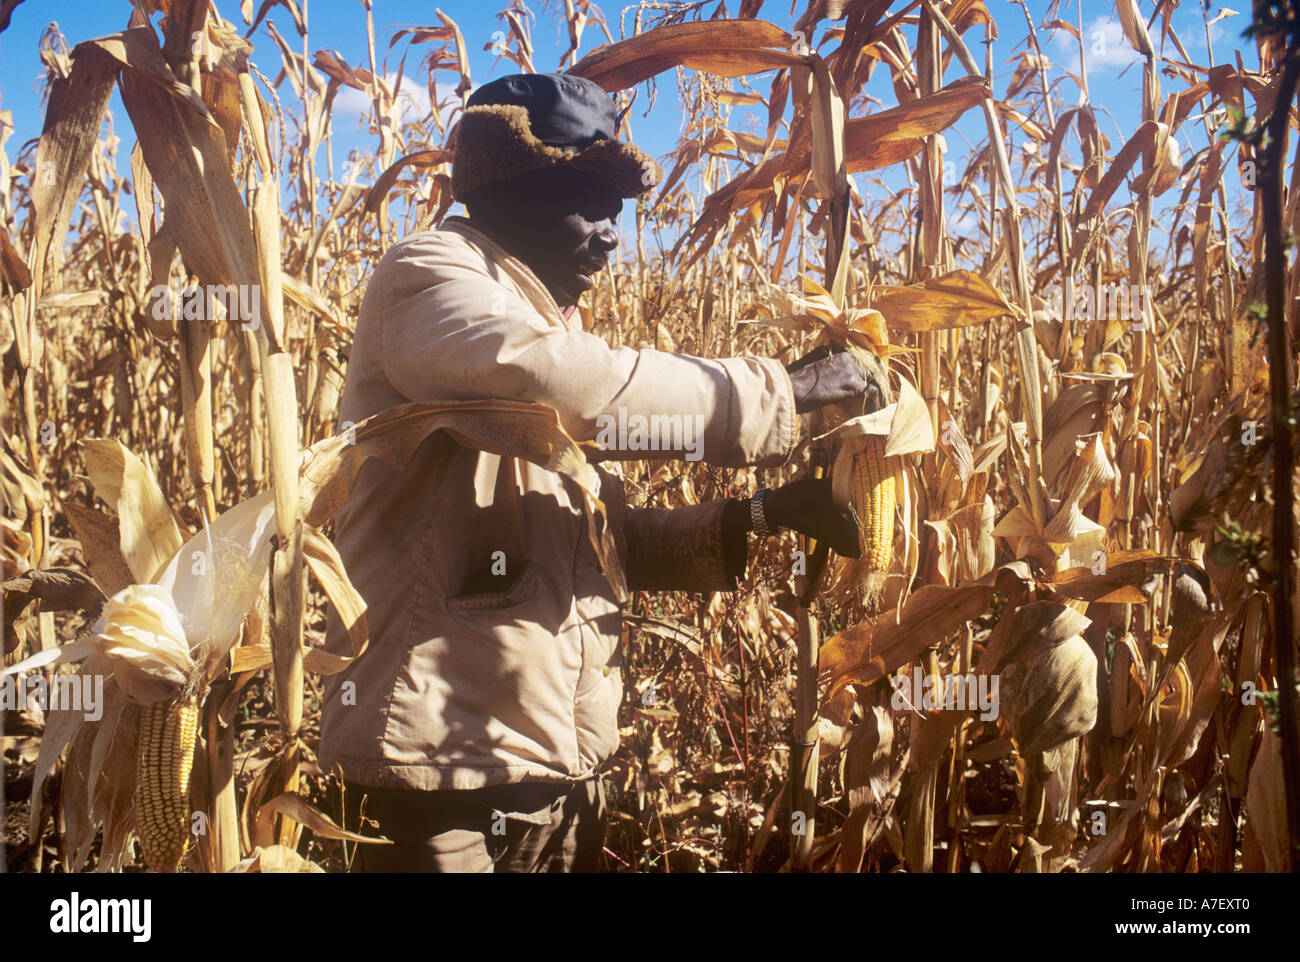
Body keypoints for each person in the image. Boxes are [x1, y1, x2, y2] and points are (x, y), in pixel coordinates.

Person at [318, 73, 886, 872]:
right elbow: (556, 383)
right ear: (510, 190)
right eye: (590, 203)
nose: (613, 235)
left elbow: (593, 547)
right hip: (436, 783)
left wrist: (763, 514)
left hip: (557, 775)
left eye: (619, 211)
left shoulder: (548, 323)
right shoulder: (428, 279)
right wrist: (780, 393)